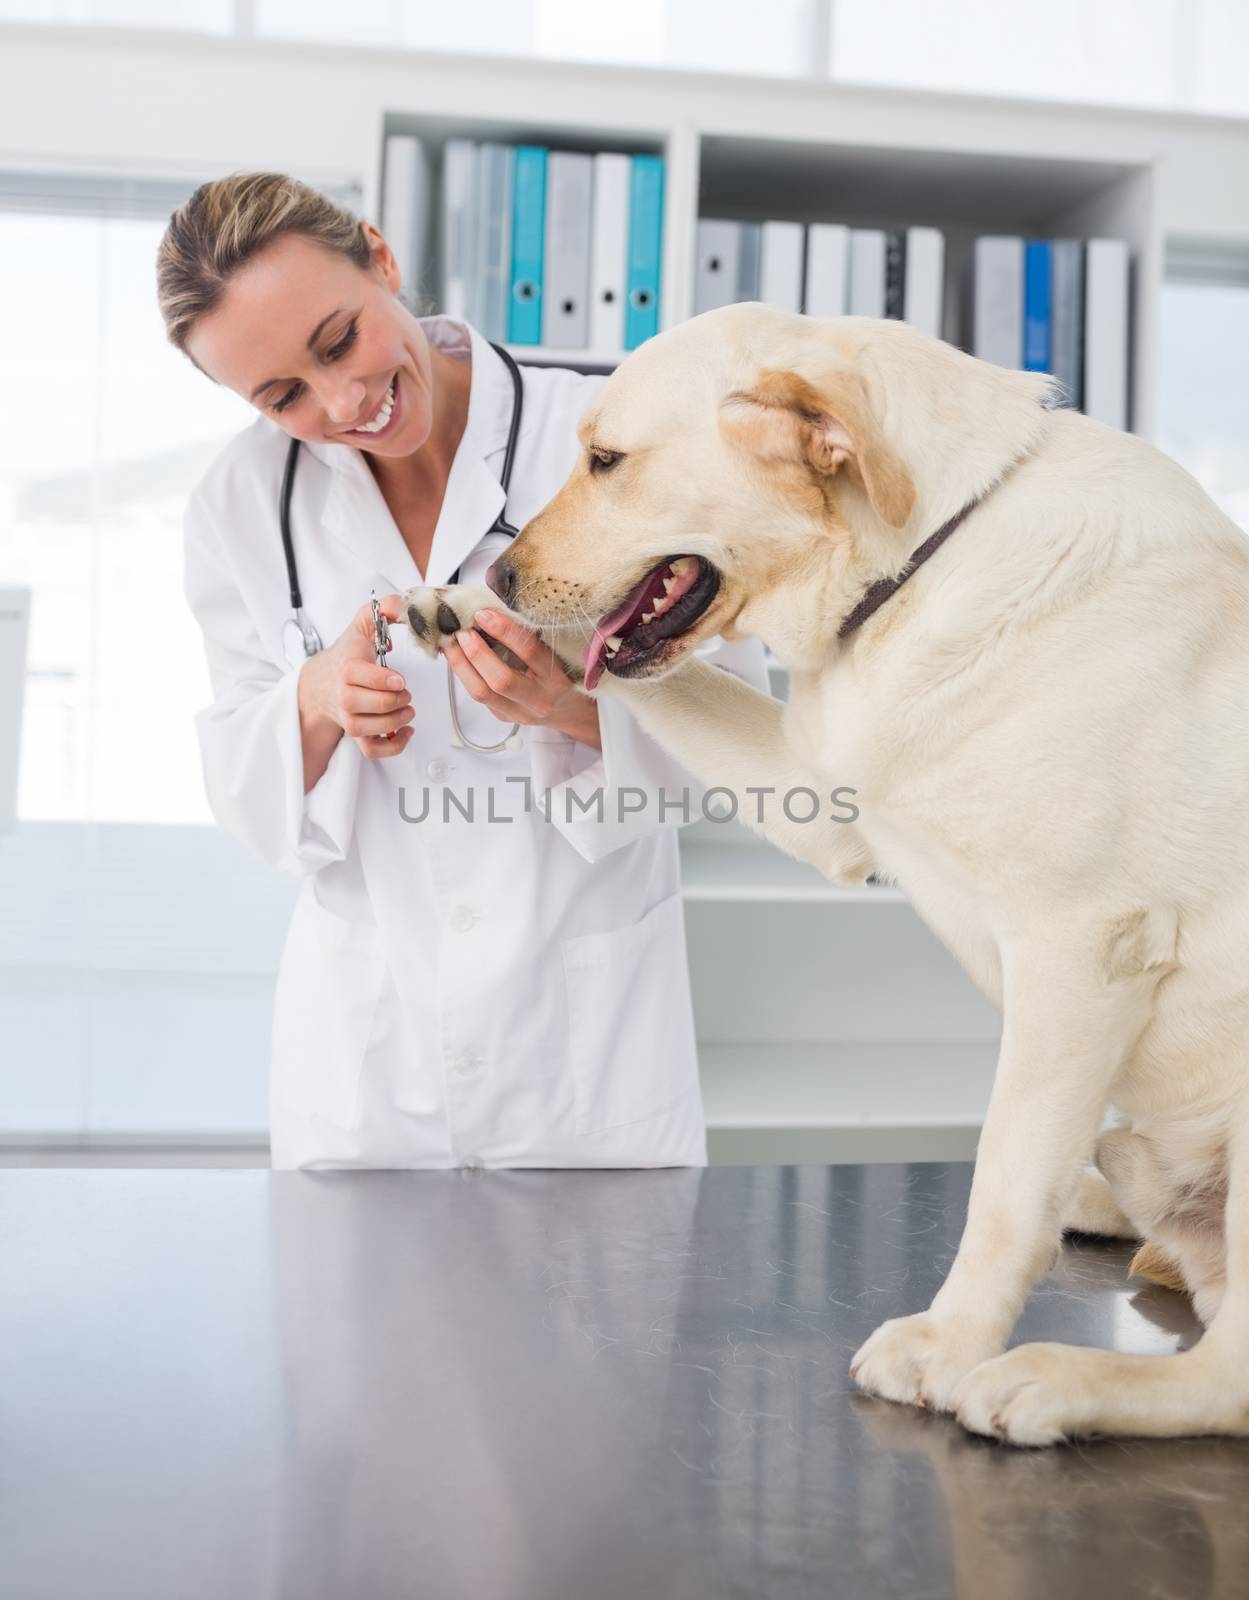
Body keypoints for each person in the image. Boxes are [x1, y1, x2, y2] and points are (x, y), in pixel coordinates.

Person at [157, 171, 769, 1172]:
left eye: (339, 338)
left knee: (596, 1323)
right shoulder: (237, 506)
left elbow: (746, 731)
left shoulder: (611, 430)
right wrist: (315, 701)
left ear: (380, 257)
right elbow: (241, 783)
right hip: (366, 1058)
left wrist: (572, 709)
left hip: (583, 1044)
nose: (343, 400)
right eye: (282, 396)